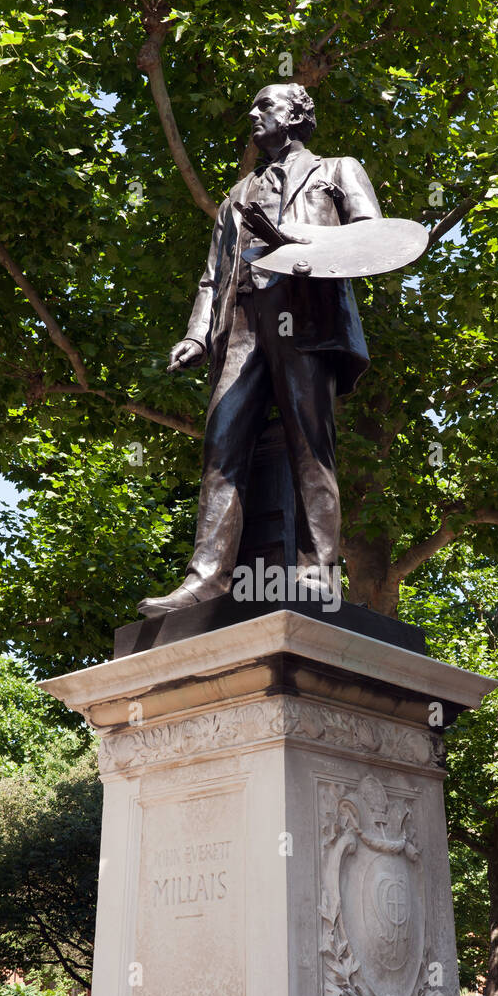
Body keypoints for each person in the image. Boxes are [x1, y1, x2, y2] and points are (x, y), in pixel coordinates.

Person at [137, 82, 382, 617]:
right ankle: (205, 579)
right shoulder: (237, 195)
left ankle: (317, 576)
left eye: (265, 105)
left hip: (306, 318)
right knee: (221, 445)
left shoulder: (338, 170)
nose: (253, 114)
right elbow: (212, 275)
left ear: (296, 115)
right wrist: (197, 334)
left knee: (310, 445)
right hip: (243, 324)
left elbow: (369, 241)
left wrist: (291, 241)